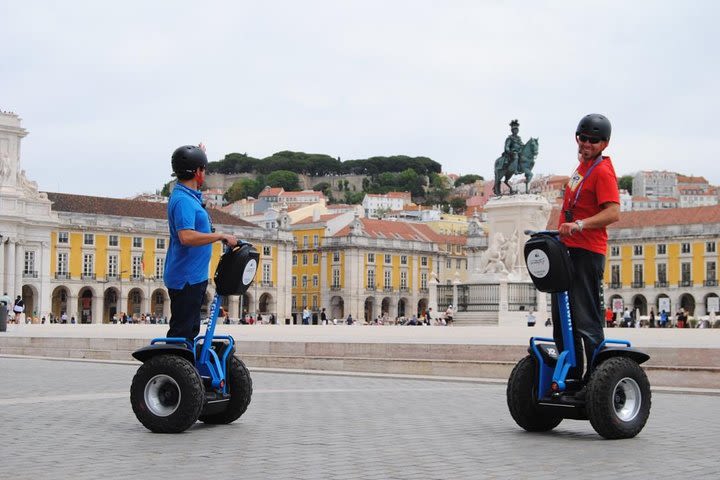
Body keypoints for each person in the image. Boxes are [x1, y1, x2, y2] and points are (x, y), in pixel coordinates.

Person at [553, 113, 620, 387]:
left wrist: (580, 224)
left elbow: (613, 213)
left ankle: (596, 380)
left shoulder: (602, 171)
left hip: (587, 251)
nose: (587, 144)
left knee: (585, 318)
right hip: (568, 249)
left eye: (593, 140)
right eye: (583, 138)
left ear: (604, 143)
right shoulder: (581, 168)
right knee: (562, 319)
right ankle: (571, 374)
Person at [164, 144, 238, 342]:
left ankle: (185, 369)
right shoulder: (183, 200)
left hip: (193, 277)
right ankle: (173, 370)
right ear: (197, 172)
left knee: (190, 331)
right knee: (182, 333)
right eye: (203, 169)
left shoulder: (189, 197)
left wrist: (199, 155)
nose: (204, 173)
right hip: (185, 278)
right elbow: (186, 236)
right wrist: (220, 236)